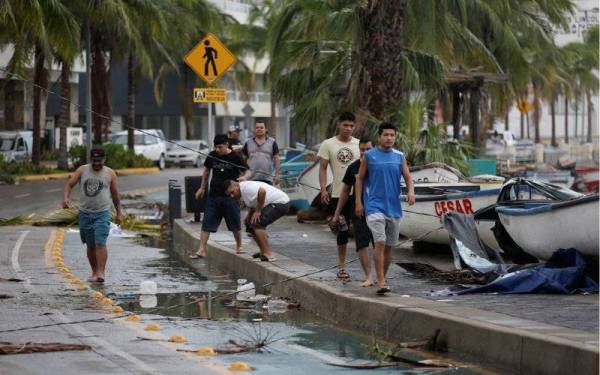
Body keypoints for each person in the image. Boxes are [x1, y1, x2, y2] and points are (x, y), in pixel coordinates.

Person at [355, 122, 415, 295]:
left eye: (392, 135)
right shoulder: (370, 156)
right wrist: (359, 203)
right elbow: (359, 179)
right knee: (379, 243)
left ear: (395, 137)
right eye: (386, 135)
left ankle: (383, 277)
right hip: (374, 206)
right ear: (379, 137)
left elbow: (408, 177)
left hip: (394, 208)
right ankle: (380, 281)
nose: (389, 138)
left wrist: (411, 192)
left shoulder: (399, 156)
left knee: (389, 246)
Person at [62, 148, 123, 283]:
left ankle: (101, 273)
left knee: (100, 242)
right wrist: (66, 198)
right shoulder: (82, 170)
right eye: (94, 161)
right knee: (90, 245)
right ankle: (94, 271)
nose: (96, 164)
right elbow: (69, 184)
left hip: (102, 214)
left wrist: (119, 213)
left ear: (104, 159)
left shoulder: (110, 173)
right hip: (84, 214)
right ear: (90, 160)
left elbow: (115, 195)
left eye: (99, 161)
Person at [317, 111, 360, 279]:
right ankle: (342, 267)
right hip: (337, 193)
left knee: (362, 230)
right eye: (345, 125)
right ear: (338, 125)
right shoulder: (328, 144)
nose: (348, 129)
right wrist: (322, 189)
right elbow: (322, 168)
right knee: (342, 230)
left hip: (359, 194)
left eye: (351, 126)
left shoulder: (359, 145)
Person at [192, 134, 248, 258]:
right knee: (207, 223)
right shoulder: (212, 155)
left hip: (231, 196)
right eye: (216, 147)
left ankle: (239, 245)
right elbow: (206, 171)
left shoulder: (235, 157)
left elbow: (246, 171)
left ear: (226, 145)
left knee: (235, 223)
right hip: (213, 195)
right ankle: (201, 249)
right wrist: (202, 188)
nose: (217, 150)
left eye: (220, 147)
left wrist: (244, 178)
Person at [331, 138, 374, 286]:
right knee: (362, 243)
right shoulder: (353, 167)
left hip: (378, 209)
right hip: (359, 209)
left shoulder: (379, 166)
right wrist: (337, 214)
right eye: (362, 149)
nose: (365, 152)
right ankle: (368, 276)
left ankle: (381, 276)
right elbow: (345, 191)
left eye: (368, 149)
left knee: (381, 243)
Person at [225, 180, 290, 262]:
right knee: (249, 223)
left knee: (257, 223)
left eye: (232, 192)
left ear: (236, 185)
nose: (232, 196)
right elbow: (254, 202)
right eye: (229, 195)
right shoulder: (242, 190)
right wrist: (250, 214)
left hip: (281, 203)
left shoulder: (246, 188)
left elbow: (262, 192)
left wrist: (258, 211)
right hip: (270, 204)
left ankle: (268, 254)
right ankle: (262, 251)